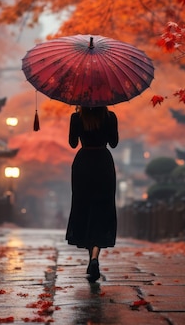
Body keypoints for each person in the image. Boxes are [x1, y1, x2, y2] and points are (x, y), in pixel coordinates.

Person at [66, 106, 119, 282]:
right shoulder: (110, 116)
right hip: (103, 163)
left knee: (85, 208)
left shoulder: (76, 117)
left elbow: (73, 143)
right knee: (102, 210)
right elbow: (114, 143)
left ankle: (92, 258)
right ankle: (95, 257)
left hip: (83, 164)